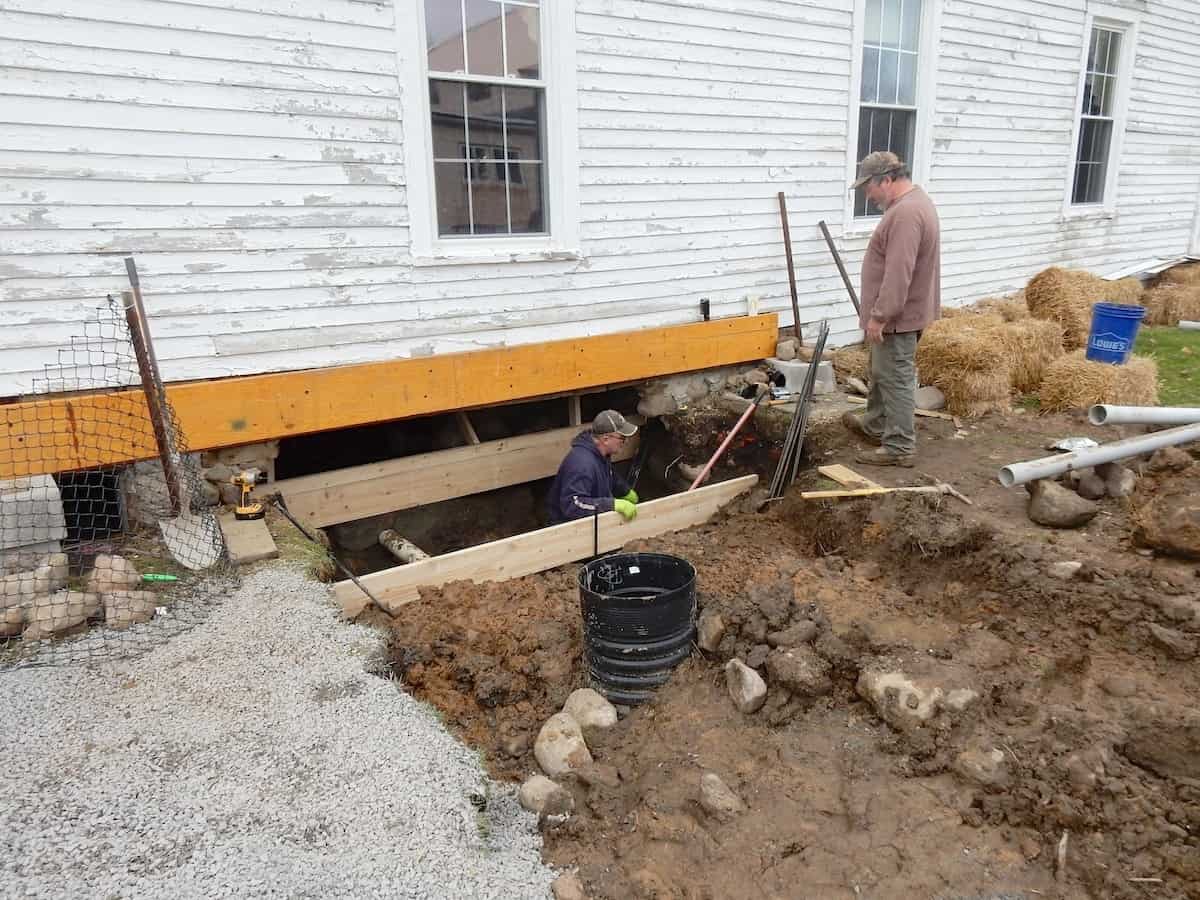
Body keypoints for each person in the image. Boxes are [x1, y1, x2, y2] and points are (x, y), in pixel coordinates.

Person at [841, 150, 941, 467]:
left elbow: (899, 272)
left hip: (898, 316)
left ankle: (899, 446)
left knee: (895, 376)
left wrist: (880, 315)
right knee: (882, 370)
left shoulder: (906, 214)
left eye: (868, 187)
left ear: (886, 180)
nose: (867, 196)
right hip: (902, 313)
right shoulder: (912, 205)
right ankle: (875, 426)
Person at [546, 410, 640, 523]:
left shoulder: (600, 453)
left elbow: (609, 474)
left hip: (593, 520)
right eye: (622, 438)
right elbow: (572, 506)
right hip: (568, 528)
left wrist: (624, 491)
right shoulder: (581, 464)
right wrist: (611, 504)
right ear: (605, 439)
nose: (626, 441)